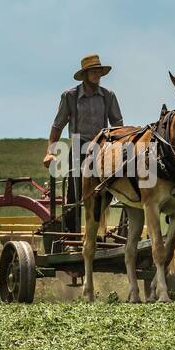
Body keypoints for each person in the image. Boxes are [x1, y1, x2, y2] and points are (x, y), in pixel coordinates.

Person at [44, 54, 125, 232]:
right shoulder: (70, 96)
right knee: (75, 192)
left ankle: (111, 229)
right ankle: (71, 235)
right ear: (85, 74)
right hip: (78, 146)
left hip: (103, 146)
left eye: (99, 72)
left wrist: (120, 147)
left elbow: (118, 125)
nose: (97, 75)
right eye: (93, 72)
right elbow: (57, 126)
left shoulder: (108, 96)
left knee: (117, 184)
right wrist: (50, 151)